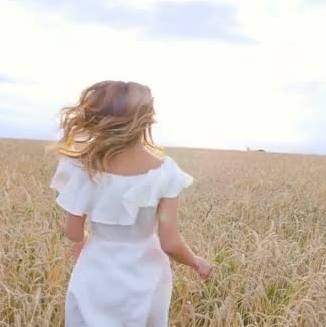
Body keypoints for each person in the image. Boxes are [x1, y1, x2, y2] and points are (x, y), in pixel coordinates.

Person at [49, 80, 213, 326]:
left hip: (95, 269)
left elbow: (72, 232)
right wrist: (195, 261)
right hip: (145, 274)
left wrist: (87, 241)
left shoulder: (85, 168)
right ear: (146, 120)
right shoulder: (165, 172)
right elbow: (170, 242)